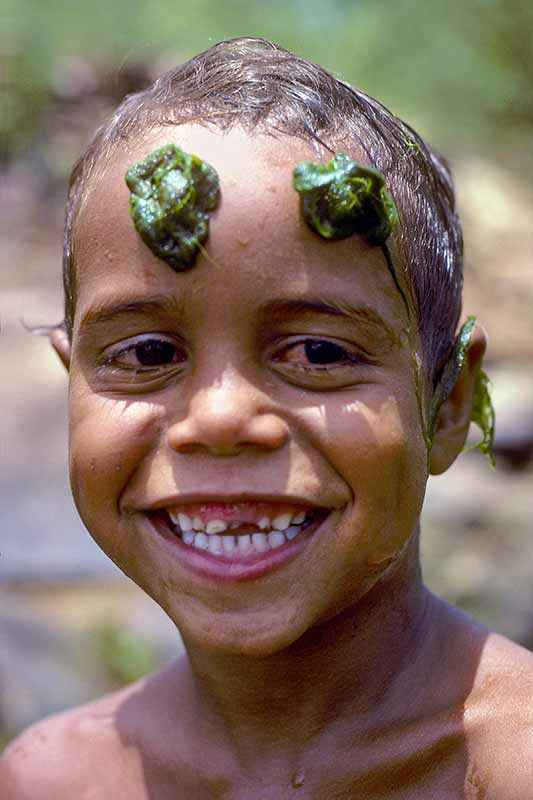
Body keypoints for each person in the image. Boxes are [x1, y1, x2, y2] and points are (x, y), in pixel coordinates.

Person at [2, 37, 532, 799]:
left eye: (317, 352)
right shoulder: (54, 780)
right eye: (148, 353)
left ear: (448, 401)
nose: (220, 417)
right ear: (72, 384)